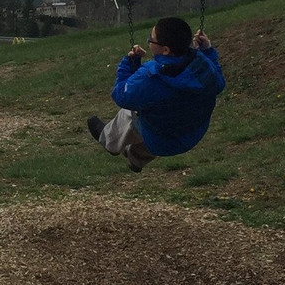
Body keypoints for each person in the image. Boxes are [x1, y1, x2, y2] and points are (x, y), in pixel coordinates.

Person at [88, 16, 225, 172]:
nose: (148, 41)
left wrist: (129, 63)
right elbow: (219, 84)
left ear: (165, 50)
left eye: (151, 39)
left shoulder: (152, 77)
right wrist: (207, 51)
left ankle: (109, 141)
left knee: (129, 113)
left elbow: (120, 95)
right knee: (166, 113)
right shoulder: (202, 64)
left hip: (161, 141)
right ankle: (136, 158)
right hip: (192, 134)